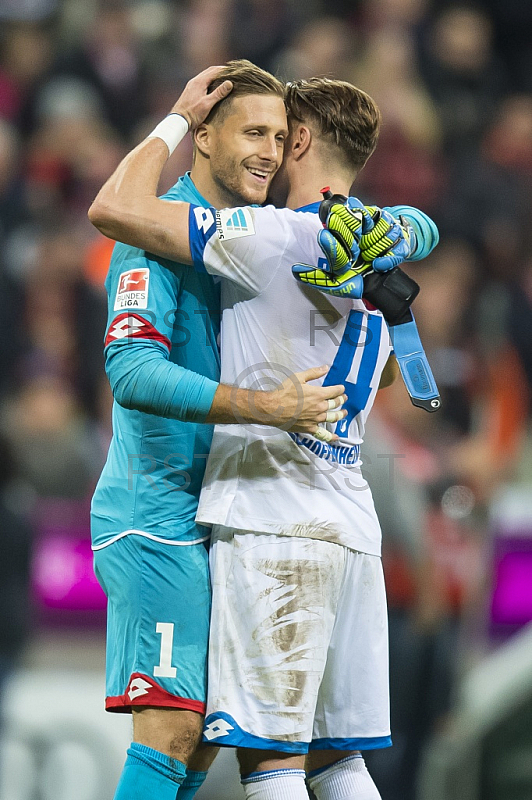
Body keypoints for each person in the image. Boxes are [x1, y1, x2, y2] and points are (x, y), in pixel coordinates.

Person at [89, 71, 439, 800]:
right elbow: (131, 370)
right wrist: (265, 406)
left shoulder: (269, 235)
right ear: (204, 136)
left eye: (280, 137)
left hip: (240, 508)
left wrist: (407, 222)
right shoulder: (165, 228)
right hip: (159, 510)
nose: (270, 152)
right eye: (254, 133)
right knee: (185, 736)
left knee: (206, 751)